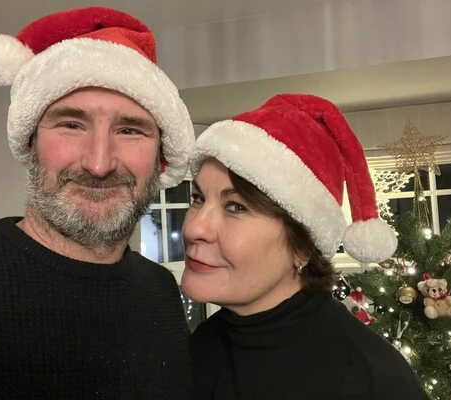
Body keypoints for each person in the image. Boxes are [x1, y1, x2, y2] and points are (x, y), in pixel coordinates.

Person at [0, 7, 195, 399]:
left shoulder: (162, 292)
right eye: (71, 124)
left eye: (130, 130)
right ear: (31, 142)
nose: (99, 163)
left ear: (161, 158)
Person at [181, 94, 430, 399]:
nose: (194, 228)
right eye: (197, 199)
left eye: (236, 207)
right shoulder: (200, 346)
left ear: (303, 248)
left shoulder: (373, 382)